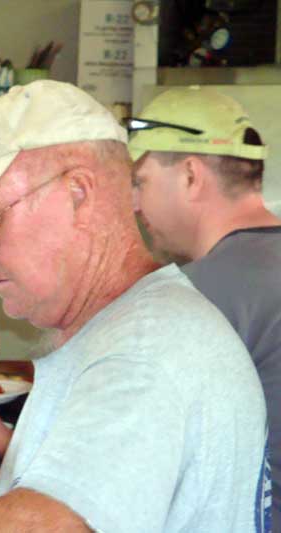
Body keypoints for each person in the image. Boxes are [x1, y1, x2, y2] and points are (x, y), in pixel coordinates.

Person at [0, 81, 269, 532]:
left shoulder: (142, 350)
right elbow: (62, 505)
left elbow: (50, 524)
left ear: (77, 195)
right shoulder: (130, 328)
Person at [128, 85, 278, 529]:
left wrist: (9, 447)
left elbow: (138, 468)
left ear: (191, 175)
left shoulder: (194, 295)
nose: (133, 205)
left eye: (140, 182)